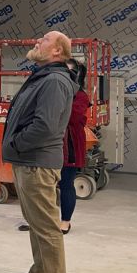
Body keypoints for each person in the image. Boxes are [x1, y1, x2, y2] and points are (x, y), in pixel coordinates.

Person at [1, 31, 75, 273]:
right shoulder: (44, 76)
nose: (36, 42)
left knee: (46, 227)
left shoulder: (55, 80)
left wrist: (17, 144)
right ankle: (40, 271)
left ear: (57, 51)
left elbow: (46, 126)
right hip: (28, 160)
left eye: (43, 40)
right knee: (35, 222)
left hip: (36, 162)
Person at [59, 58, 90, 234]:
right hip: (50, 145)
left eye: (69, 73)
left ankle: (65, 221)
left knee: (66, 184)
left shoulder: (81, 96)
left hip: (69, 145)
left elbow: (73, 118)